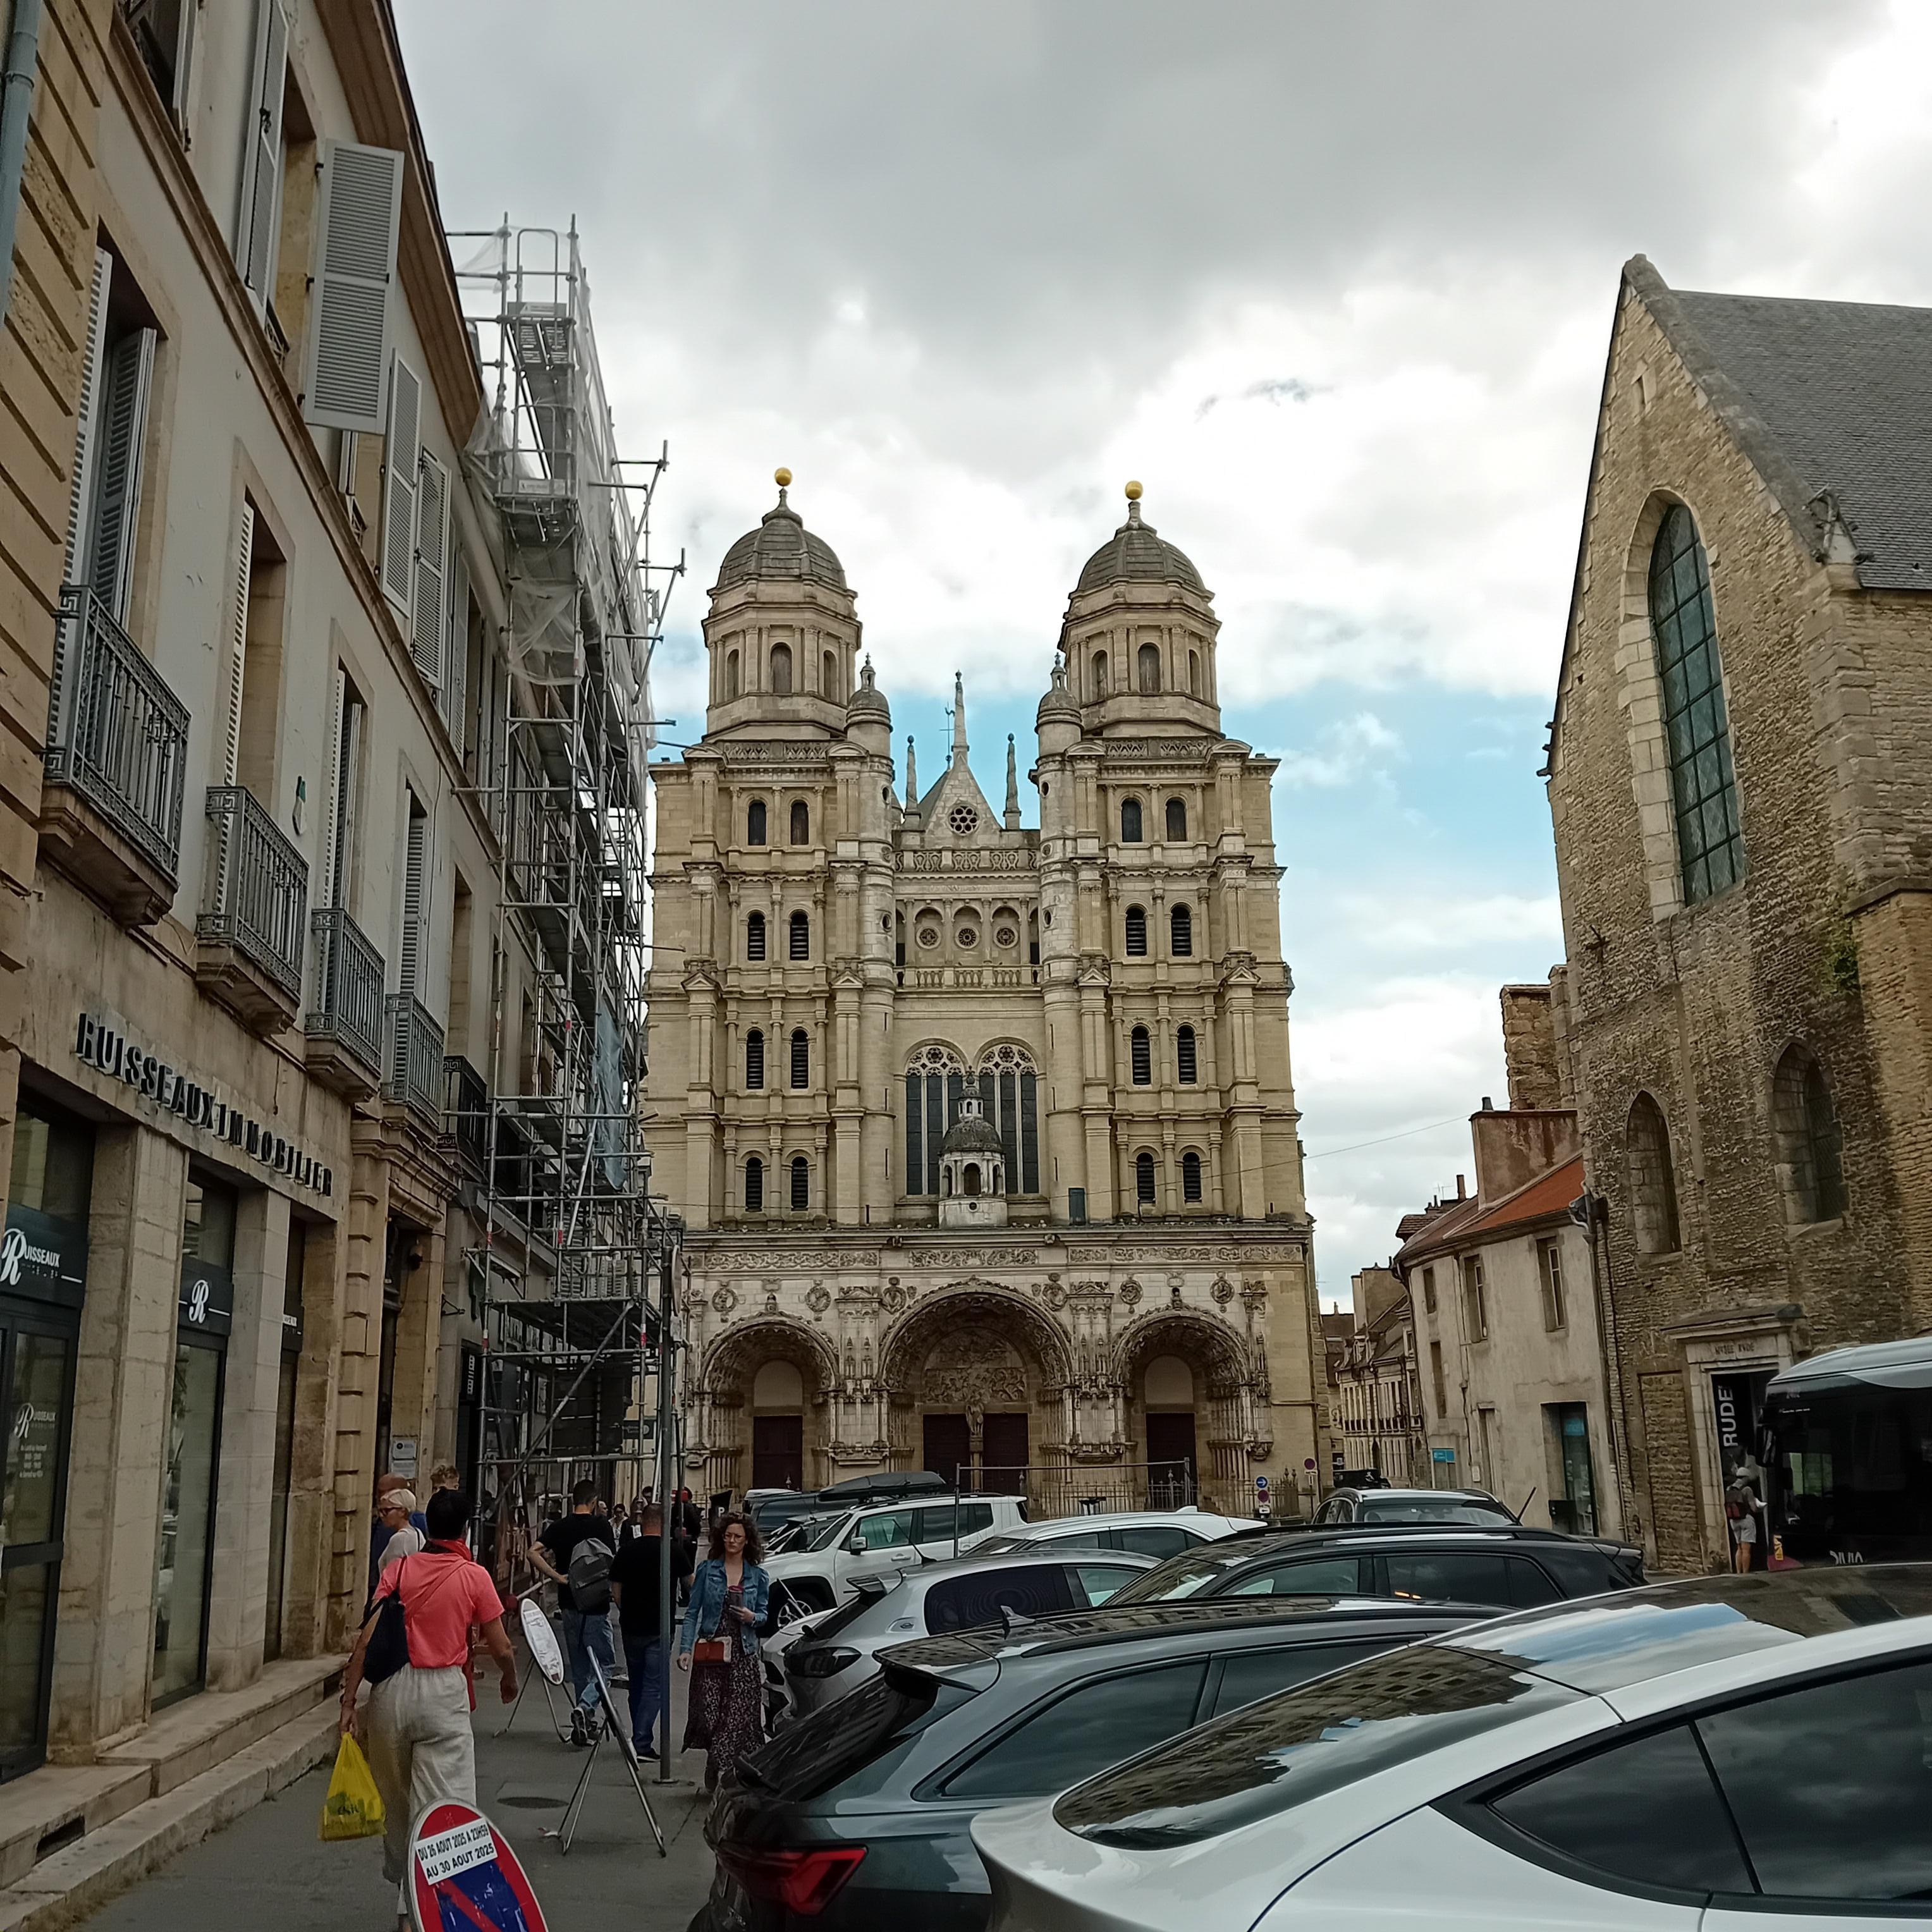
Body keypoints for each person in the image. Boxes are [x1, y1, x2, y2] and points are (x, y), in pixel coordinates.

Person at [340, 1487, 516, 1930]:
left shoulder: (398, 1570)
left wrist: (348, 1701)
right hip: (441, 1694)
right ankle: (421, 1913)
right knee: (444, 1807)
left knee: (399, 1810)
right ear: (464, 1529)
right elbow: (501, 1645)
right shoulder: (473, 1576)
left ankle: (406, 1896)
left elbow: (365, 1640)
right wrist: (510, 1678)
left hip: (389, 1694)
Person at [677, 1512, 769, 1790]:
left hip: (743, 1653)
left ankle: (725, 1772)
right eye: (728, 1535)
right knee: (711, 1714)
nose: (732, 1541)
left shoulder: (758, 1576)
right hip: (712, 1652)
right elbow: (692, 1613)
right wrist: (685, 1649)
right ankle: (714, 1761)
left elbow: (765, 1616)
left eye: (738, 1537)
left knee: (737, 1717)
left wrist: (752, 1616)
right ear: (721, 1538)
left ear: (747, 1541)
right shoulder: (708, 1570)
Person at [531, 1479, 617, 1745]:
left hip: (569, 1603)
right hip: (597, 1604)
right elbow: (613, 1561)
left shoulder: (559, 1527)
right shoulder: (602, 1526)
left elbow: (532, 1552)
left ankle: (585, 1725)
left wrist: (557, 1577)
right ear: (593, 1503)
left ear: (573, 1501)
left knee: (580, 1667)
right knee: (605, 1665)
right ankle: (586, 1707)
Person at [611, 1501, 690, 1758]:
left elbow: (616, 1591)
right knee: (654, 1685)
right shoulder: (673, 1551)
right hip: (660, 1627)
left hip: (631, 1626)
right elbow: (692, 1584)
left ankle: (639, 1736)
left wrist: (626, 1610)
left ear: (642, 1524)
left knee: (637, 1683)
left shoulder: (626, 1551)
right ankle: (641, 1742)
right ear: (665, 1524)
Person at [374, 1489, 424, 1581]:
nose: (382, 1515)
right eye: (380, 1511)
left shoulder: (400, 1539)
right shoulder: (417, 1533)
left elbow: (391, 1579)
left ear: (402, 1511)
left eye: (386, 1511)